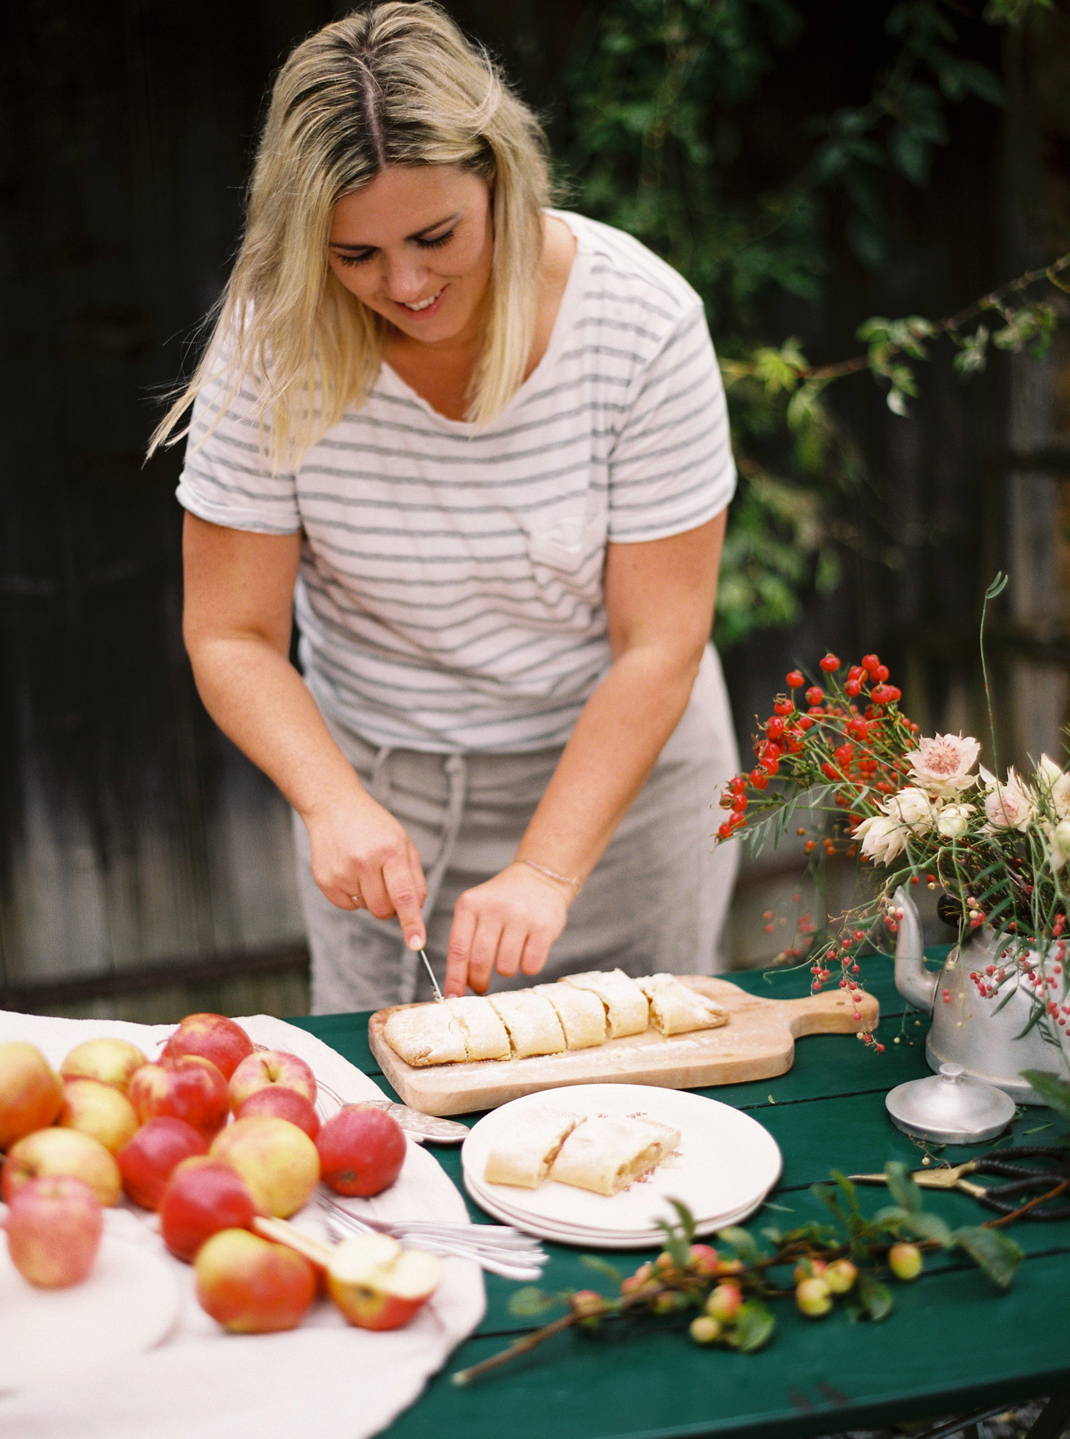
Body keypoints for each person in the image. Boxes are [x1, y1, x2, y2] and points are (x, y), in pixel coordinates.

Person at [154, 1, 740, 1013]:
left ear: (499, 179)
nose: (407, 283)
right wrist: (332, 803)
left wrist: (549, 869)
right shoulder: (271, 343)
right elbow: (230, 631)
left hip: (620, 794)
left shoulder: (642, 323)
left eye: (435, 235)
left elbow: (661, 639)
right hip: (384, 798)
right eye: (356, 256)